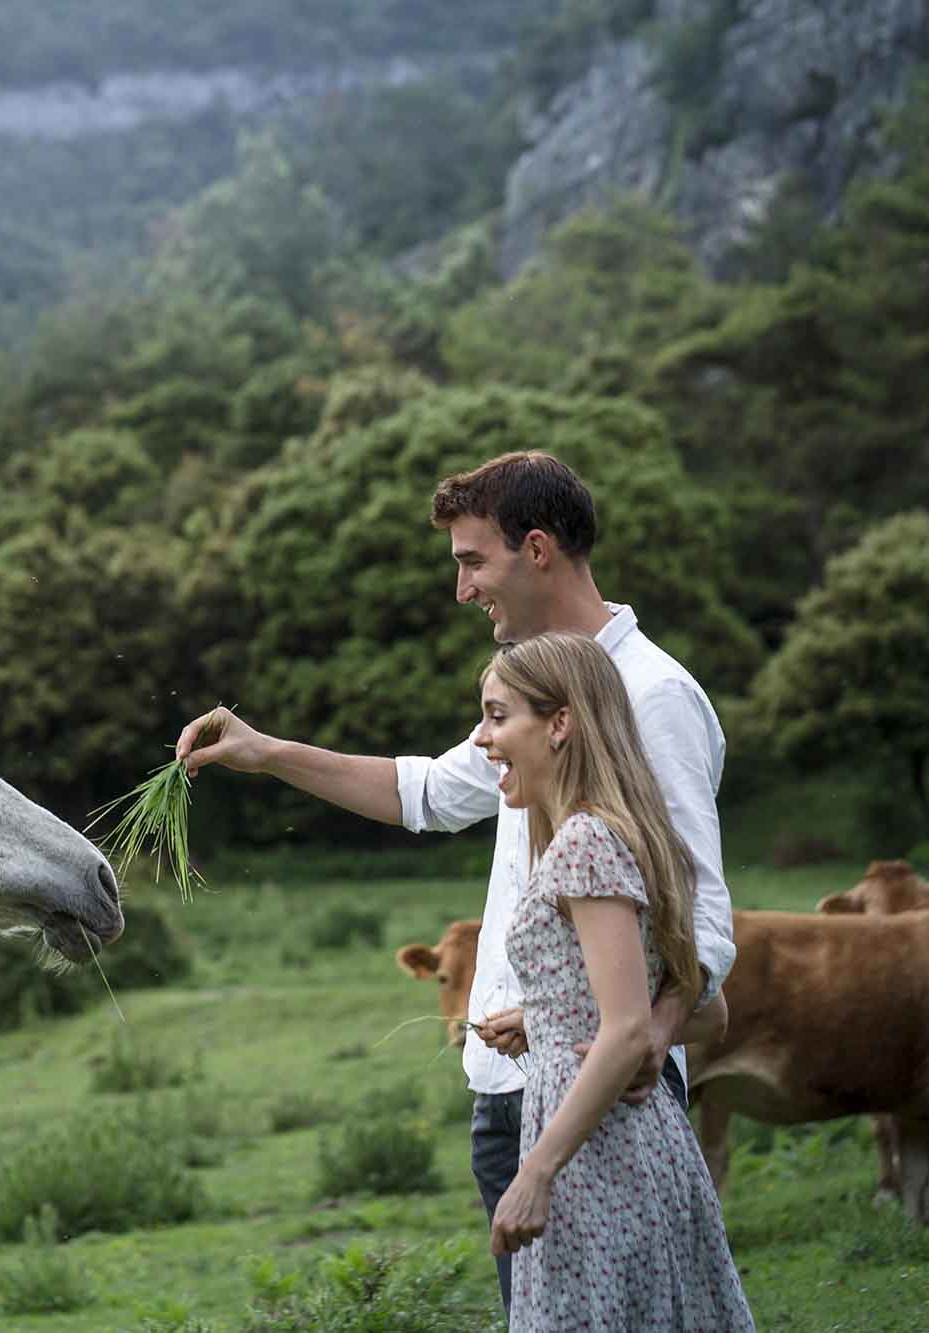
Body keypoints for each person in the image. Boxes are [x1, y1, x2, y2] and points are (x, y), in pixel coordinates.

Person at [173, 451, 736, 1316]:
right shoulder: (534, 694)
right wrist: (264, 751)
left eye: (474, 561)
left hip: (599, 1091)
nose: (463, 590)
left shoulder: (651, 696)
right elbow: (427, 793)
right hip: (510, 1084)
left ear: (537, 549)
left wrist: (650, 1037)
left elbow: (703, 926)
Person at [476, 631, 750, 1330]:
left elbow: (629, 1029)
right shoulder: (615, 833)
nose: (483, 738)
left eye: (498, 715)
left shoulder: (586, 843)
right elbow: (705, 1010)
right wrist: (548, 1020)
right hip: (628, 1146)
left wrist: (535, 1172)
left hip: (597, 1161)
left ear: (560, 723)